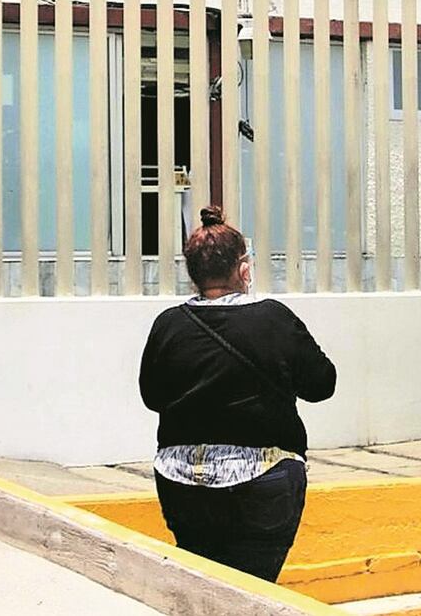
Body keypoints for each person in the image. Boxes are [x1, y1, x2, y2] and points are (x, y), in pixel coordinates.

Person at [139, 206, 336, 582]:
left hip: (181, 484)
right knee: (253, 589)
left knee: (205, 585)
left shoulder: (168, 324)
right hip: (262, 481)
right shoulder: (273, 318)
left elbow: (152, 396)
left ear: (193, 273)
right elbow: (322, 385)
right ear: (244, 269)